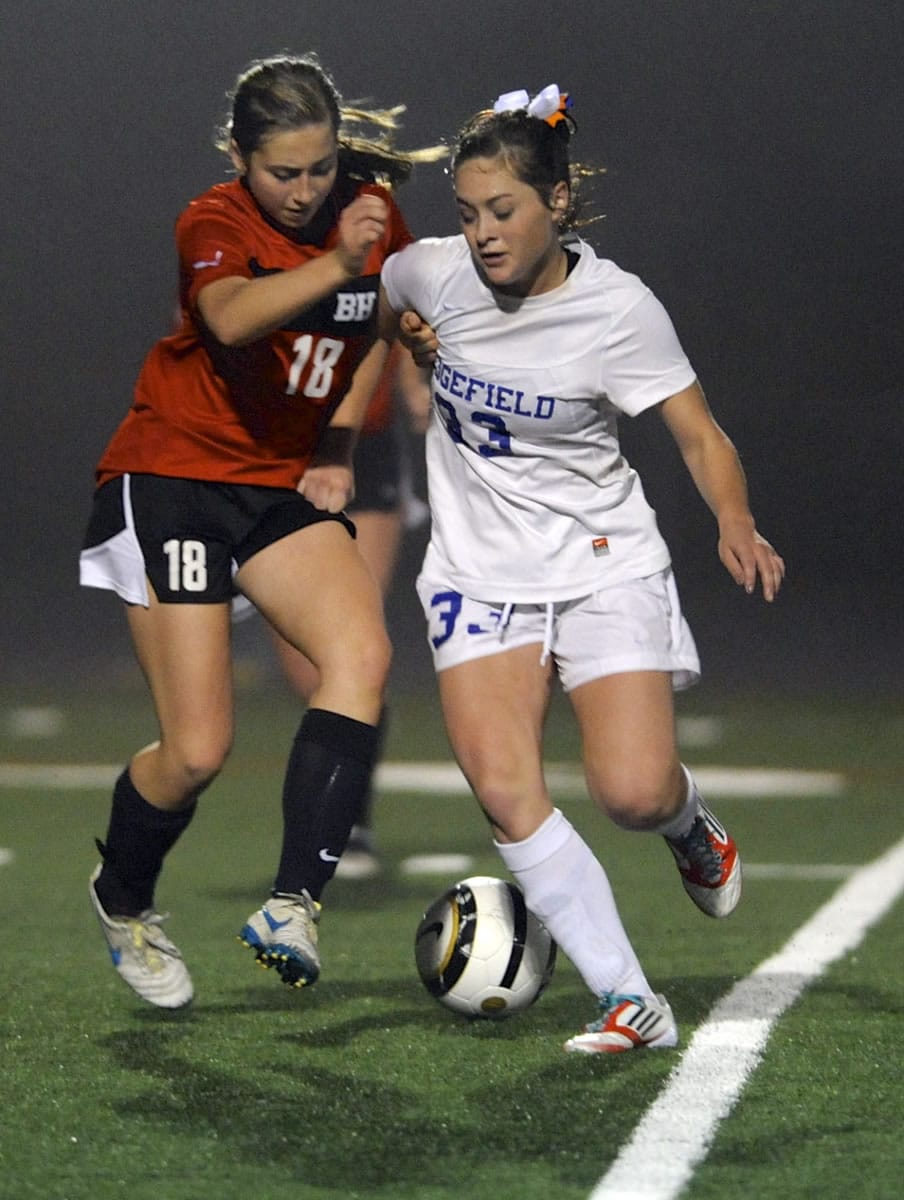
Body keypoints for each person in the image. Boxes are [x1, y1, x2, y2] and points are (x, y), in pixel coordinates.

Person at [378, 85, 785, 1053]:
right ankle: (629, 1000)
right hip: (477, 574)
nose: (480, 234)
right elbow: (380, 295)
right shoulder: (429, 274)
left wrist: (734, 516)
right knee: (504, 785)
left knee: (633, 793)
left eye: (503, 211)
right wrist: (402, 346)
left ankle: (690, 826)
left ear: (556, 203)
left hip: (602, 563)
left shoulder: (618, 309)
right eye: (467, 213)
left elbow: (697, 433)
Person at [79, 52, 444, 1009]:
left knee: (361, 650)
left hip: (272, 485)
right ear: (242, 158)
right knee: (196, 751)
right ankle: (123, 901)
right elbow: (233, 319)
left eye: (320, 168)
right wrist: (339, 261)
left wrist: (337, 443)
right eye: (283, 171)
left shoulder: (368, 213)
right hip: (171, 477)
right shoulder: (214, 219)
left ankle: (294, 904)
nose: (304, 188)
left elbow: (373, 326)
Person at [265, 341, 431, 879]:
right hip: (278, 447)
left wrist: (413, 383)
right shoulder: (249, 258)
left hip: (367, 442)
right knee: (307, 668)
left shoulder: (377, 254)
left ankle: (351, 822)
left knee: (355, 643)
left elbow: (401, 302)